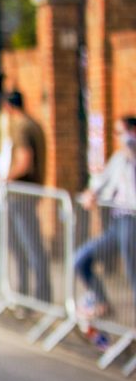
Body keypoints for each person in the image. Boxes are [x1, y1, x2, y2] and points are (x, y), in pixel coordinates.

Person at [0, 90, 51, 300]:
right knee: (23, 244)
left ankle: (38, 294)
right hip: (27, 193)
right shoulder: (33, 124)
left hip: (20, 194)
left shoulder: (21, 127)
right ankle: (27, 292)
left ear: (8, 107)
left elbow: (24, 160)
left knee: (27, 245)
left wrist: (5, 178)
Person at [73, 114, 136, 321]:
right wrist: (91, 194)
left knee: (132, 273)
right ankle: (101, 301)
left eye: (120, 132)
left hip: (131, 220)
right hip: (117, 223)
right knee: (81, 259)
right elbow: (100, 183)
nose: (118, 137)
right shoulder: (118, 159)